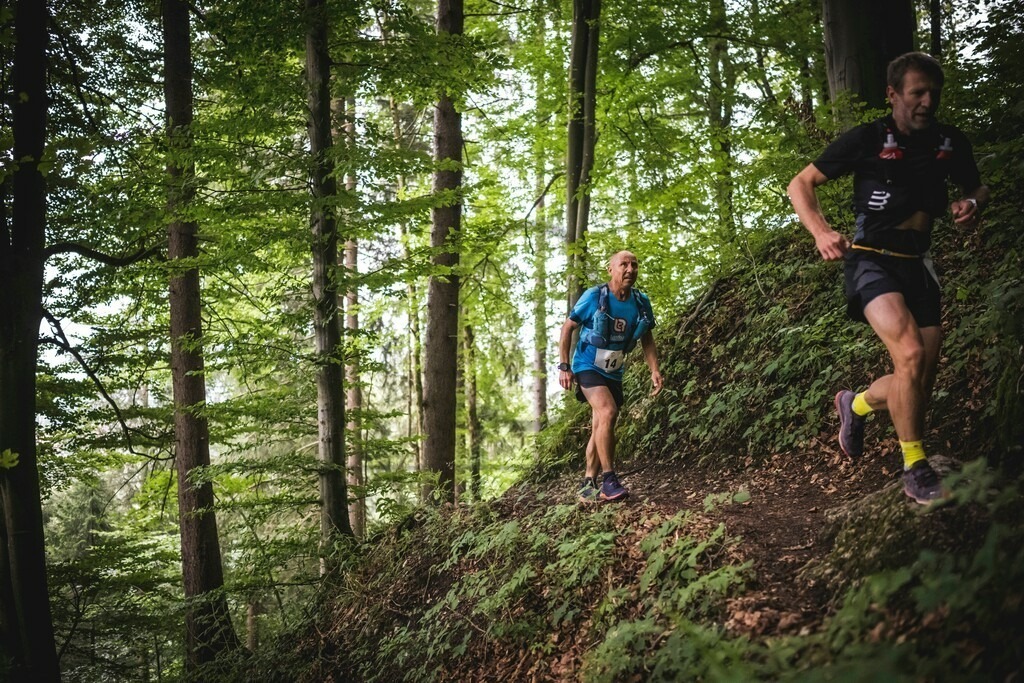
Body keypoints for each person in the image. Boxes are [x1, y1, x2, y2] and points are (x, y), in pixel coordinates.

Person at [787, 52, 989, 504]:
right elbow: (800, 183)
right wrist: (821, 231)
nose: (927, 101)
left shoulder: (950, 141)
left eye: (934, 92)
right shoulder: (868, 137)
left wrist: (971, 205)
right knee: (911, 353)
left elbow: (977, 186)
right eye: (917, 92)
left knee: (917, 380)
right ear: (893, 94)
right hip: (872, 259)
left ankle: (855, 405)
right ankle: (914, 466)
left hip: (920, 261)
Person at [558, 250, 664, 503]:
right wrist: (564, 366)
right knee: (607, 412)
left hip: (614, 371)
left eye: (634, 265)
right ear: (611, 269)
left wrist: (654, 369)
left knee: (600, 424)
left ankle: (587, 483)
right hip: (587, 365)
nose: (630, 269)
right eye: (624, 264)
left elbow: (647, 337)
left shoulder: (640, 301)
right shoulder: (595, 296)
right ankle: (609, 480)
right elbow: (568, 327)